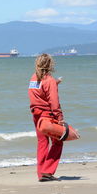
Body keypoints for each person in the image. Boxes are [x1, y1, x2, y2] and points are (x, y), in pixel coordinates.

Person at [28, 53, 64, 182]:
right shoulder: (49, 80)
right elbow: (54, 102)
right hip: (48, 116)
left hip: (36, 116)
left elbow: (40, 92)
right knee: (58, 141)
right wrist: (60, 117)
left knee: (42, 143)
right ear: (50, 64)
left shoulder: (33, 78)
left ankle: (41, 173)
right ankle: (47, 171)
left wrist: (55, 83)